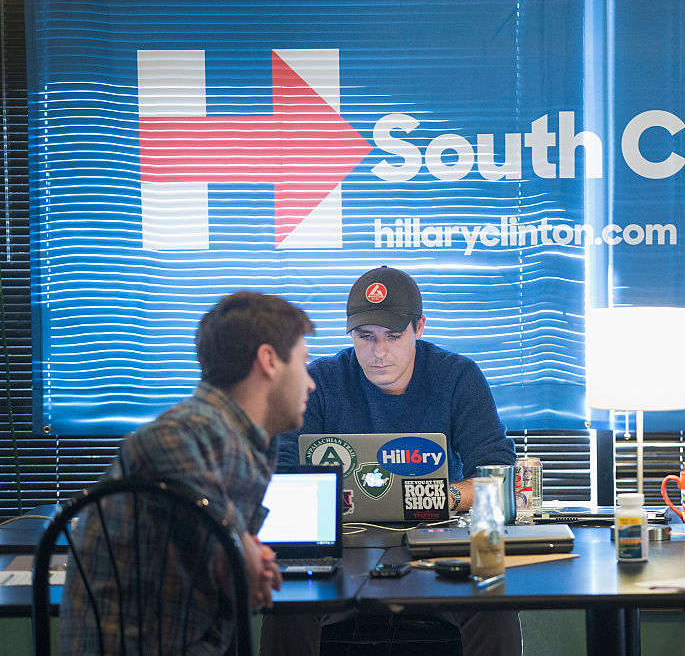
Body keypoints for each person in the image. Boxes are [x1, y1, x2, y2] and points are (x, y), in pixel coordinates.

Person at [263, 265, 521, 656]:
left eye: (393, 336)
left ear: (419, 328)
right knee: (287, 605)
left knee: (493, 602)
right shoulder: (319, 381)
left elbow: (497, 474)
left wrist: (443, 497)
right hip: (341, 555)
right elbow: (281, 473)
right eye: (365, 337)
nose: (379, 352)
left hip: (434, 551)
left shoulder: (457, 376)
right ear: (351, 334)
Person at [61, 291, 316, 654]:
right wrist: (239, 544)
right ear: (269, 360)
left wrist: (241, 553)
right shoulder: (195, 426)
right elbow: (153, 442)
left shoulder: (242, 439)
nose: (311, 382)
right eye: (304, 363)